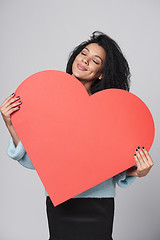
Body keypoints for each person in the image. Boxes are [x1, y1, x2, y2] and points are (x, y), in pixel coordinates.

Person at [0, 31, 154, 240]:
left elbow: (111, 162)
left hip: (99, 204)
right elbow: (34, 162)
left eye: (95, 60)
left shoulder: (110, 111)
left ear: (101, 73)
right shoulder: (48, 102)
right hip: (61, 201)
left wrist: (137, 172)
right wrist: (11, 124)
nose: (85, 60)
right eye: (84, 53)